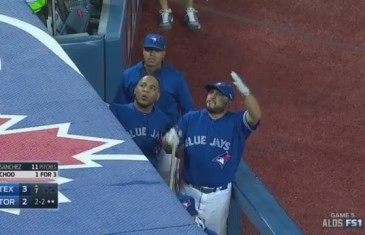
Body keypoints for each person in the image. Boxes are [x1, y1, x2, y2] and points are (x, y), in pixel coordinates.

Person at [163, 71, 262, 235]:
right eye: (211, 92)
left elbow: (255, 115)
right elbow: (168, 148)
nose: (212, 97)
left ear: (228, 102)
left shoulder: (236, 123)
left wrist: (246, 93)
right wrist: (169, 140)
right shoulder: (191, 119)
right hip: (188, 191)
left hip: (218, 198)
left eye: (218, 95)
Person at [113, 33, 195, 126]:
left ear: (163, 54)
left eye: (157, 50)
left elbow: (189, 111)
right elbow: (119, 109)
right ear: (143, 51)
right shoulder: (128, 75)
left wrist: (179, 131)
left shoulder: (176, 79)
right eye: (148, 50)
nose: (152, 54)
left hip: (166, 132)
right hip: (135, 130)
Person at [110, 75, 172, 170]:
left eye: (152, 88)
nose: (146, 90)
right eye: (142, 85)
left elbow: (170, 149)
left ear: (157, 96)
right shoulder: (116, 111)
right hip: (122, 170)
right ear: (135, 90)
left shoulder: (164, 121)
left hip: (150, 175)